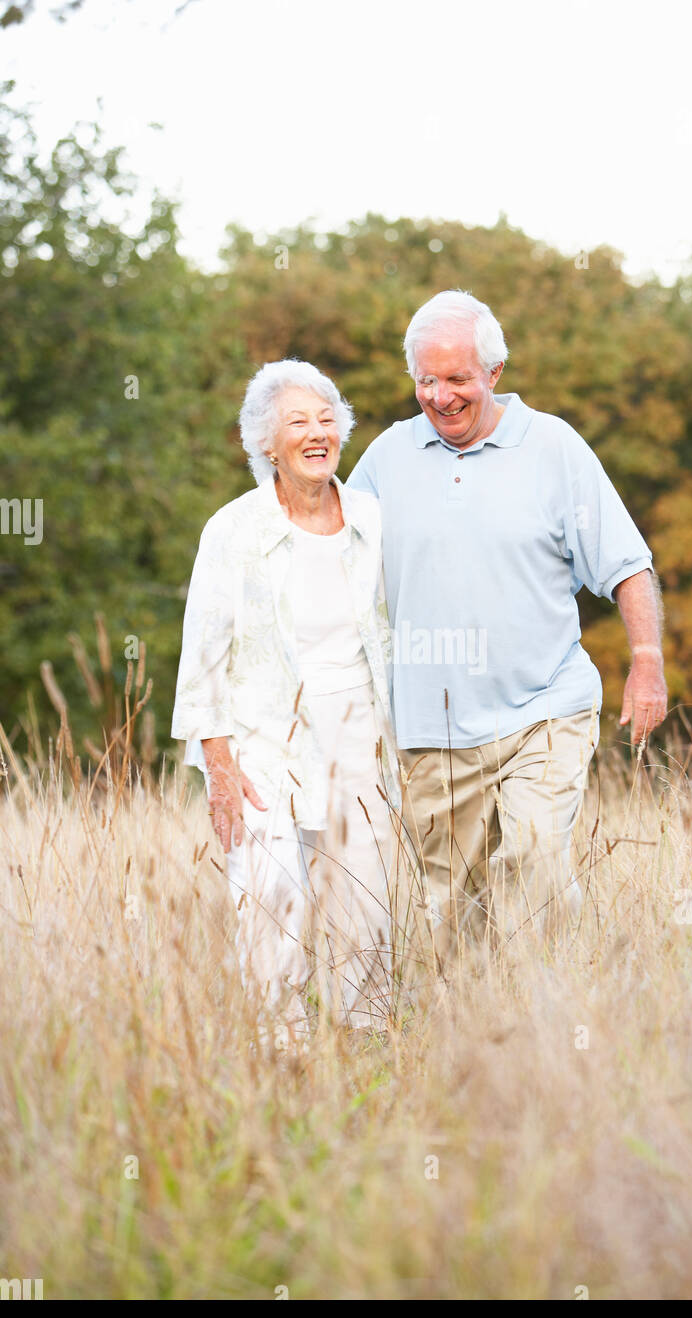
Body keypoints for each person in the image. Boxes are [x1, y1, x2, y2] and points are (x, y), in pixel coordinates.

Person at [347, 290, 667, 956]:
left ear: (494, 373)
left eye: (457, 379)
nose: (439, 397)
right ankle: (473, 1044)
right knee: (450, 919)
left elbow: (628, 565)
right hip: (429, 727)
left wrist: (647, 661)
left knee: (535, 862)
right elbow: (335, 570)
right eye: (425, 381)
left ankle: (548, 1022)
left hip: (542, 708)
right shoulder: (386, 460)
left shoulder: (553, 449)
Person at [171, 359, 401, 1042]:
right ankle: (282, 1051)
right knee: (272, 903)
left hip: (360, 734)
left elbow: (400, 627)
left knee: (365, 902)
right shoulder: (233, 530)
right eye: (298, 421)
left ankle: (364, 1044)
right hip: (264, 743)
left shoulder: (371, 518)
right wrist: (217, 764)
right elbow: (203, 654)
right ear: (266, 443)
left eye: (328, 419)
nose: (317, 432)